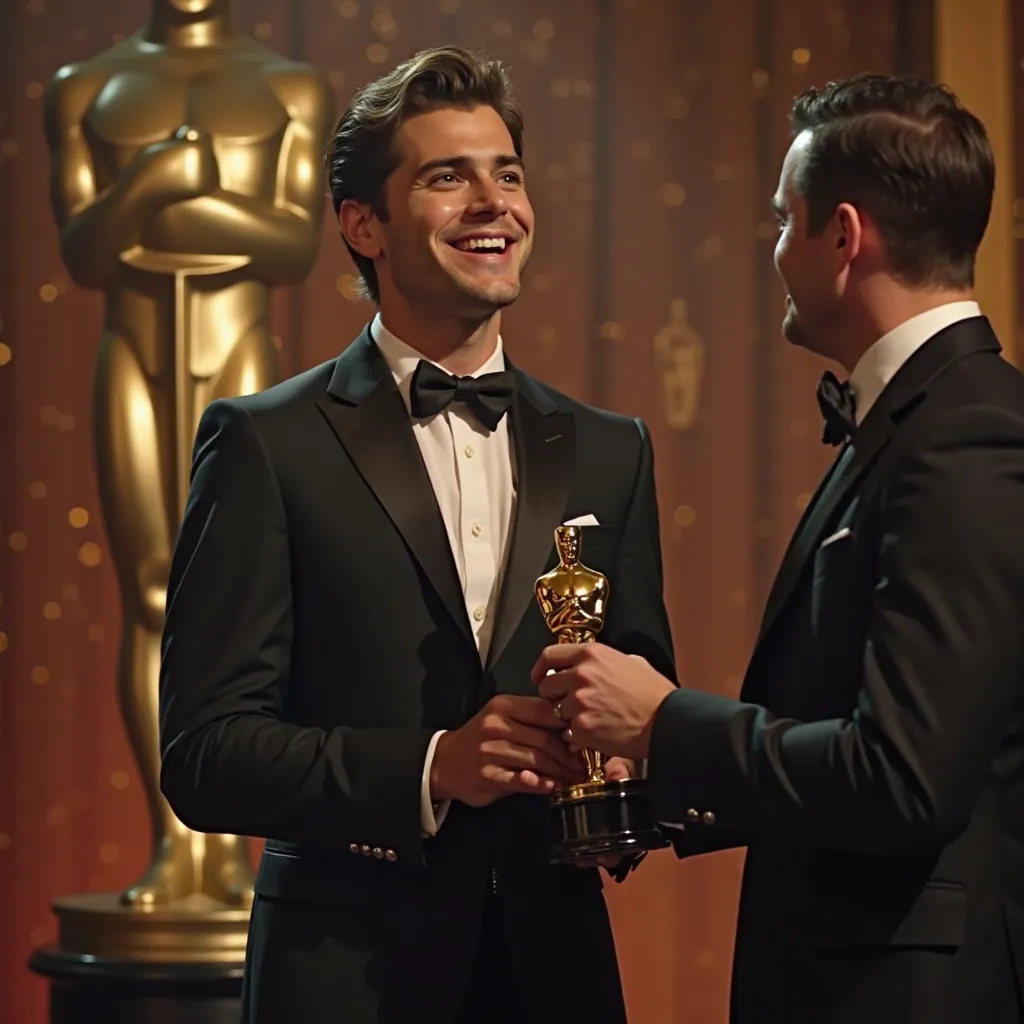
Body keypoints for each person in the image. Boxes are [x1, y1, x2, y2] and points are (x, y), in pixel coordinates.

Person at [158, 46, 674, 1024]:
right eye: (449, 176)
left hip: (554, 970)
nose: (494, 202)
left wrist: (622, 801)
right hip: (345, 976)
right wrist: (432, 766)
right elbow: (205, 753)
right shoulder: (265, 442)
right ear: (364, 226)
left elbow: (636, 684)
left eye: (508, 173)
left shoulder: (613, 449)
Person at [533, 73, 1024, 1023]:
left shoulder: (967, 434)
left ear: (843, 237)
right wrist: (640, 786)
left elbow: (905, 780)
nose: (775, 251)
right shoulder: (919, 421)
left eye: (782, 220)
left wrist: (665, 722)